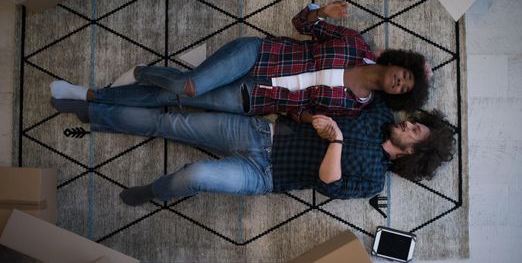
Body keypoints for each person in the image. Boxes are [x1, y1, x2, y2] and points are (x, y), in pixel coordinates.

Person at [50, 1, 430, 122]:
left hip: (254, 99)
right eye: (406, 76)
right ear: (400, 64)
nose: (401, 82)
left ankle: (92, 96)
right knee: (189, 85)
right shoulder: (353, 43)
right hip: (259, 54)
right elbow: (299, 23)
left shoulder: (356, 107)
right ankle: (145, 72)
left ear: (397, 96)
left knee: (176, 99)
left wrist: (305, 118)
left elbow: (305, 115)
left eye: (405, 88)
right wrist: (320, 11)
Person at [50, 95, 455, 204]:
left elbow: (329, 183)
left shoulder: (372, 181)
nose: (408, 123)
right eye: (415, 121)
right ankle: (96, 112)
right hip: (263, 135)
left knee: (197, 175)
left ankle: (156, 192)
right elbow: (386, 77)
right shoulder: (379, 114)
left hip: (265, 177)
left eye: (416, 130)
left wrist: (336, 140)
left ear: (412, 153)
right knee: (171, 122)